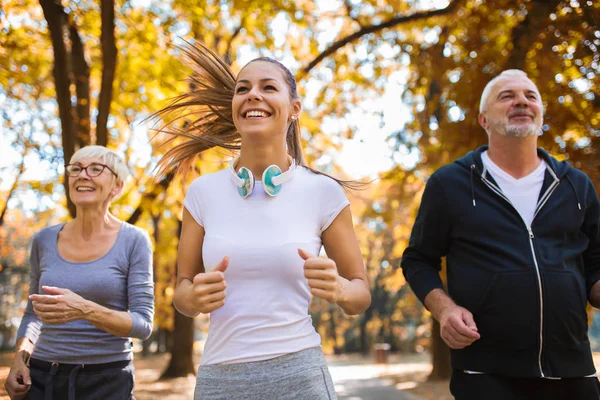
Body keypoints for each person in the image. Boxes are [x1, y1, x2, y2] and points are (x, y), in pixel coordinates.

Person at [152, 42, 371, 400]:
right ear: (234, 107)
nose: (253, 95)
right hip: (221, 379)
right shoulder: (201, 193)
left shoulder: (323, 193)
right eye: (243, 89)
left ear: (294, 109)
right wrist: (195, 298)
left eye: (268, 87)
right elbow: (182, 292)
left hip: (300, 375)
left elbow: (360, 294)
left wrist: (340, 289)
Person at [401, 69, 600, 400]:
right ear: (483, 120)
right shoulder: (449, 184)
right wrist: (445, 310)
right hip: (485, 372)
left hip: (572, 367)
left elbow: (595, 264)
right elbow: (418, 260)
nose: (521, 100)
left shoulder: (575, 185)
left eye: (530, 96)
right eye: (507, 96)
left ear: (540, 114)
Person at [4, 146, 155, 400]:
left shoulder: (134, 240)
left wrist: (85, 309)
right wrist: (20, 358)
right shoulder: (44, 240)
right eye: (76, 169)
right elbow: (33, 314)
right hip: (43, 378)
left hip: (107, 381)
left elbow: (143, 324)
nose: (83, 175)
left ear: (116, 187)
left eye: (96, 169)